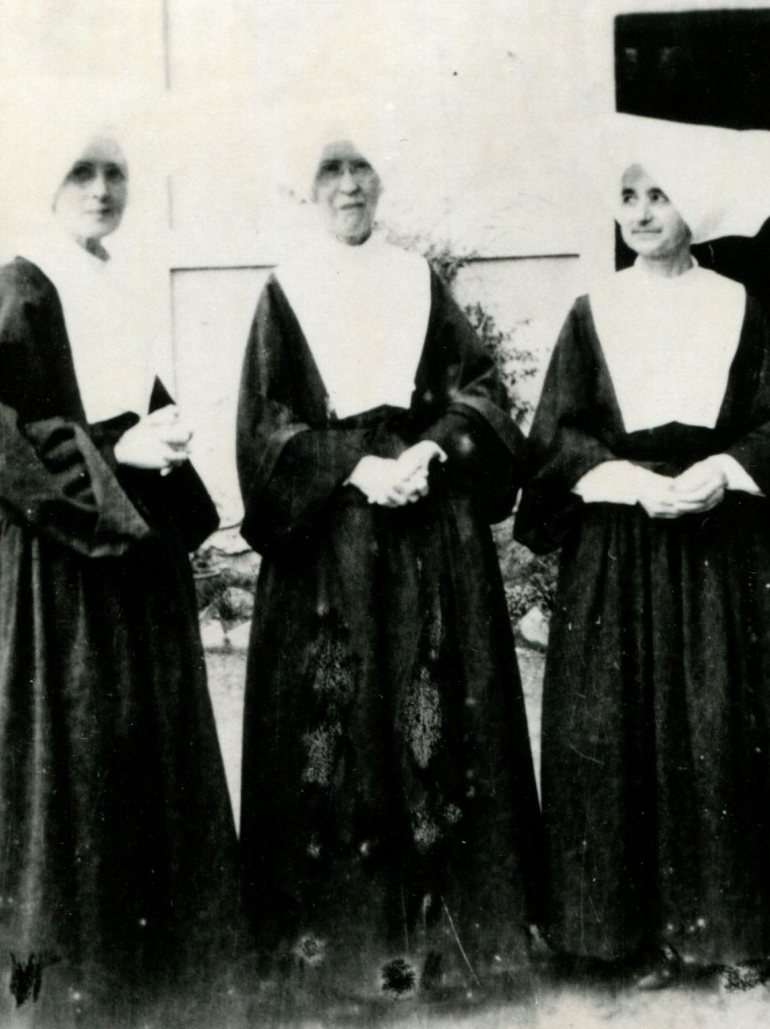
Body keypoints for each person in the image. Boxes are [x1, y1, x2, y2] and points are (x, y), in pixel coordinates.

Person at [515, 114, 770, 988]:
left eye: (660, 195)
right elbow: (557, 439)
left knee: (720, 727)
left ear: (695, 207)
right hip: (617, 549)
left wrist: (726, 470)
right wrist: (627, 481)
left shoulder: (739, 306)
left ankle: (735, 932)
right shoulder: (595, 310)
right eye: (629, 196)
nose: (643, 213)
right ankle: (629, 936)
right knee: (613, 729)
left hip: (715, 550)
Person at [0, 120, 241, 1028]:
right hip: (62, 569)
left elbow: (122, 401)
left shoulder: (114, 276)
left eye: (116, 171)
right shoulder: (23, 282)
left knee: (137, 757)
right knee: (68, 766)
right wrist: (120, 449)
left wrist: (166, 430)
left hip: (134, 561)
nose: (103, 188)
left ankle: (154, 979)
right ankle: (69, 995)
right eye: (82, 170)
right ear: (47, 179)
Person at [236, 131, 544, 1009]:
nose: (347, 187)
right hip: (333, 543)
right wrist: (351, 468)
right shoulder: (283, 292)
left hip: (427, 528)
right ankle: (337, 956)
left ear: (380, 182)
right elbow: (264, 425)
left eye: (360, 170)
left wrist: (433, 450)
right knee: (336, 717)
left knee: (437, 706)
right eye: (330, 172)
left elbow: (479, 388)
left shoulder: (419, 281)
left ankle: (448, 948)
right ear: (309, 189)